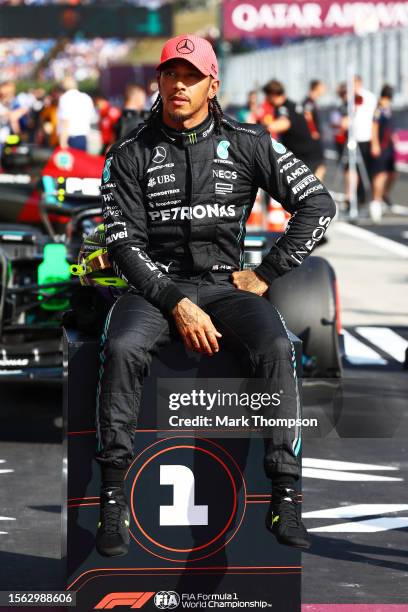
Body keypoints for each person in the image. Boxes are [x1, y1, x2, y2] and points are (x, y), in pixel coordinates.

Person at [95, 34, 336, 558]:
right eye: (169, 75)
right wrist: (173, 301)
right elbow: (121, 244)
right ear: (157, 81)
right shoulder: (129, 151)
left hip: (228, 283)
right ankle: (113, 497)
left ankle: (286, 495)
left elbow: (318, 204)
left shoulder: (249, 141)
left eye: (190, 76)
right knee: (120, 348)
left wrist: (268, 271)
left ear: (212, 83)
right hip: (155, 287)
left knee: (277, 346)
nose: (178, 85)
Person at [261, 79, 324, 175]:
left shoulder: (283, 107)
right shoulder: (293, 105)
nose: (266, 99)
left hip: (305, 157)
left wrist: (260, 128)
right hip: (314, 153)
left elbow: (284, 123)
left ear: (272, 95)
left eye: (267, 96)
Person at [369, 85, 397, 223]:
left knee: (392, 174)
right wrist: (375, 144)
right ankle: (376, 201)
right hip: (380, 146)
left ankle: (384, 193)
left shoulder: (388, 109)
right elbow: (374, 126)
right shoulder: (378, 109)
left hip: (389, 146)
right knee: (380, 174)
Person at [57, 76, 96, 151]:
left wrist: (63, 142)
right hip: (83, 138)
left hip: (70, 138)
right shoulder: (86, 97)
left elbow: (66, 121)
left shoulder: (65, 98)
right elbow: (92, 117)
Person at [303, 80, 326, 181]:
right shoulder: (308, 102)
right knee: (318, 165)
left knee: (320, 166)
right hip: (311, 142)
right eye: (322, 87)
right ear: (316, 88)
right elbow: (307, 116)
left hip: (314, 141)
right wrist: (313, 130)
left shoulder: (313, 102)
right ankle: (314, 190)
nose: (324, 90)